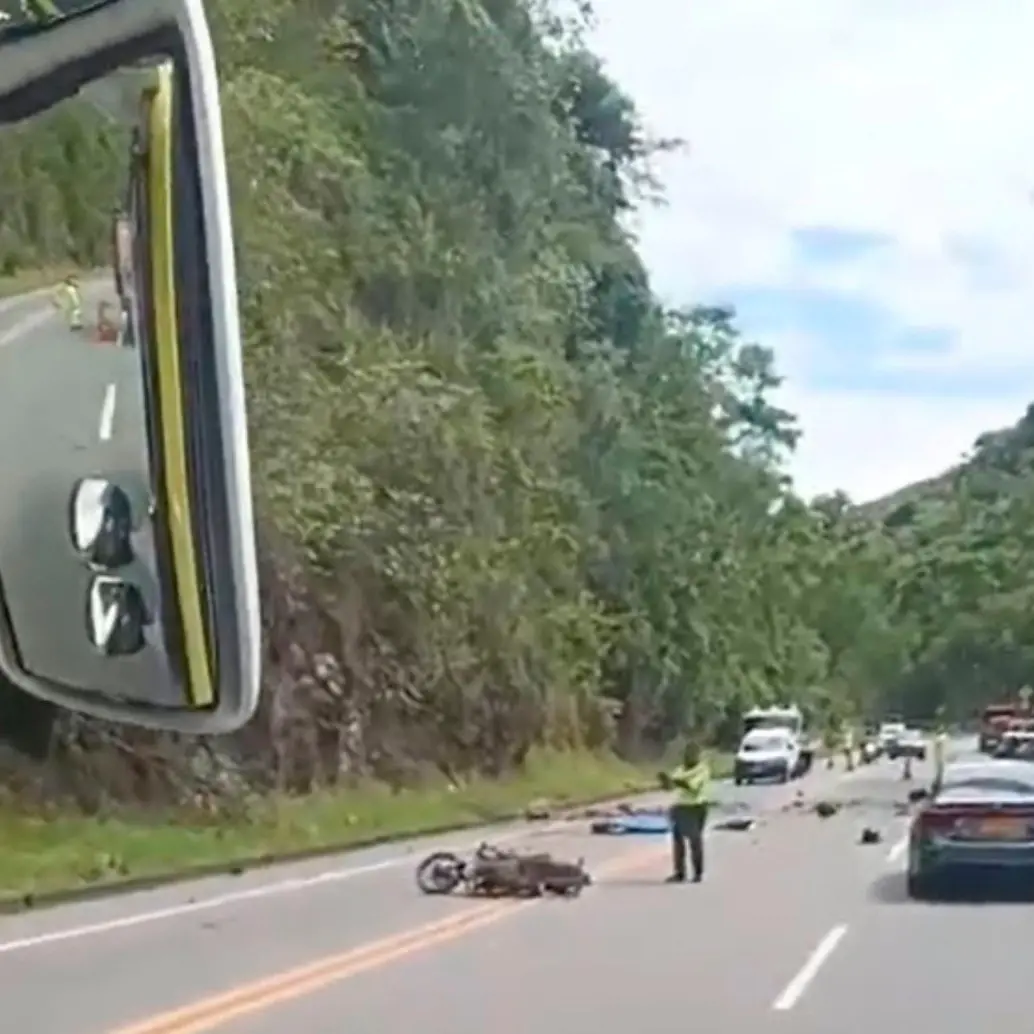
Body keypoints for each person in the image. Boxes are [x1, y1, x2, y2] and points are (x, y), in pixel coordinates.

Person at [665, 741, 712, 884]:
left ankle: (698, 872)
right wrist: (666, 782)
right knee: (678, 841)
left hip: (695, 807)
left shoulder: (702, 769)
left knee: (695, 841)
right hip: (680, 807)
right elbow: (671, 786)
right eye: (687, 754)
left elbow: (693, 787)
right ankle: (679, 872)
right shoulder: (680, 769)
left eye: (692, 754)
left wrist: (676, 782)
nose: (689, 757)